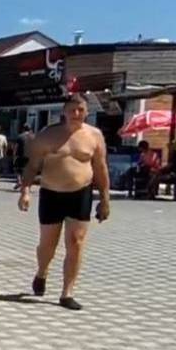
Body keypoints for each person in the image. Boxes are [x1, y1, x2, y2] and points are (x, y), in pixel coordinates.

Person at [17, 94, 110, 311]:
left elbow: (100, 167)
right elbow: (32, 166)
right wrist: (25, 191)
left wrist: (105, 198)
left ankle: (67, 293)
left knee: (76, 242)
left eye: (80, 109)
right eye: (72, 110)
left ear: (87, 111)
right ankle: (42, 272)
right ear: (64, 112)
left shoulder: (94, 136)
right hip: (52, 193)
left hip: (81, 193)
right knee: (47, 245)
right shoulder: (48, 135)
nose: (76, 114)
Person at [12, 125, 35, 191]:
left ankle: (19, 181)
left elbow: (16, 146)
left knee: (18, 170)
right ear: (30, 129)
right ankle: (26, 186)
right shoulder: (33, 136)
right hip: (30, 156)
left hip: (20, 155)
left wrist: (14, 155)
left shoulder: (20, 136)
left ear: (23, 129)